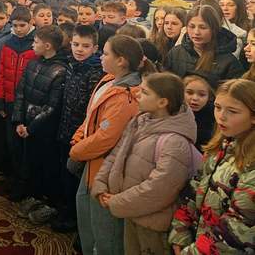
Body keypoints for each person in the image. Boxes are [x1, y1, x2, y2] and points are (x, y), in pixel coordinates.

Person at [92, 72, 198, 255]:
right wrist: (100, 183)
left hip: (153, 224)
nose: (137, 94)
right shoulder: (140, 121)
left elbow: (159, 189)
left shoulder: (175, 141)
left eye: (145, 92)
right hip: (132, 214)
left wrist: (117, 202)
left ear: (162, 102)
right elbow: (116, 154)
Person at [70, 35, 156, 255]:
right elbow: (90, 117)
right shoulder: (109, 80)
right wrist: (78, 139)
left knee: (105, 234)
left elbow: (106, 137)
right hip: (91, 162)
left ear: (121, 60)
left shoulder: (126, 95)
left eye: (106, 53)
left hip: (107, 170)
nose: (101, 57)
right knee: (87, 223)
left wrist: (76, 151)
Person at [169, 79, 255, 254]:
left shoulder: (251, 164)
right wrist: (180, 231)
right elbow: (194, 188)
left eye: (232, 111)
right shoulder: (221, 146)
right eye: (217, 107)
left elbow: (239, 228)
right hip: (198, 239)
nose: (221, 116)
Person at [12, 25, 70, 225]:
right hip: (26, 125)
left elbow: (52, 107)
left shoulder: (60, 71)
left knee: (47, 167)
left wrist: (31, 128)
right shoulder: (32, 63)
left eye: (35, 42)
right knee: (31, 164)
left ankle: (49, 204)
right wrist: (19, 120)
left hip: (44, 130)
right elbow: (21, 92)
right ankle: (34, 196)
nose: (32, 45)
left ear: (47, 46)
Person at [53, 24, 103, 233]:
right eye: (75, 44)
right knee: (63, 172)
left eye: (85, 46)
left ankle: (73, 216)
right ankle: (64, 208)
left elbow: (91, 108)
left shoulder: (95, 72)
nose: (79, 49)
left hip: (80, 133)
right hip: (65, 127)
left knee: (74, 175)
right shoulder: (71, 65)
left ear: (95, 48)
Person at [0, 6, 37, 199]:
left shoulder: (34, 46)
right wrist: (1, 100)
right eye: (15, 25)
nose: (19, 29)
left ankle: (25, 184)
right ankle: (14, 179)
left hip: (28, 105)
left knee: (25, 148)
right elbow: (2, 73)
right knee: (11, 145)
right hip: (10, 102)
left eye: (22, 25)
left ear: (30, 23)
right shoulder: (8, 44)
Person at [164, 5, 244, 81]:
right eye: (192, 26)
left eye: (203, 27)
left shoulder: (229, 62)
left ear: (214, 29)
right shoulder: (175, 54)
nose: (196, 32)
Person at [183, 73, 216, 151]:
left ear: (209, 97)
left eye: (201, 95)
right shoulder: (173, 112)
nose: (195, 98)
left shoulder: (215, 115)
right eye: (189, 93)